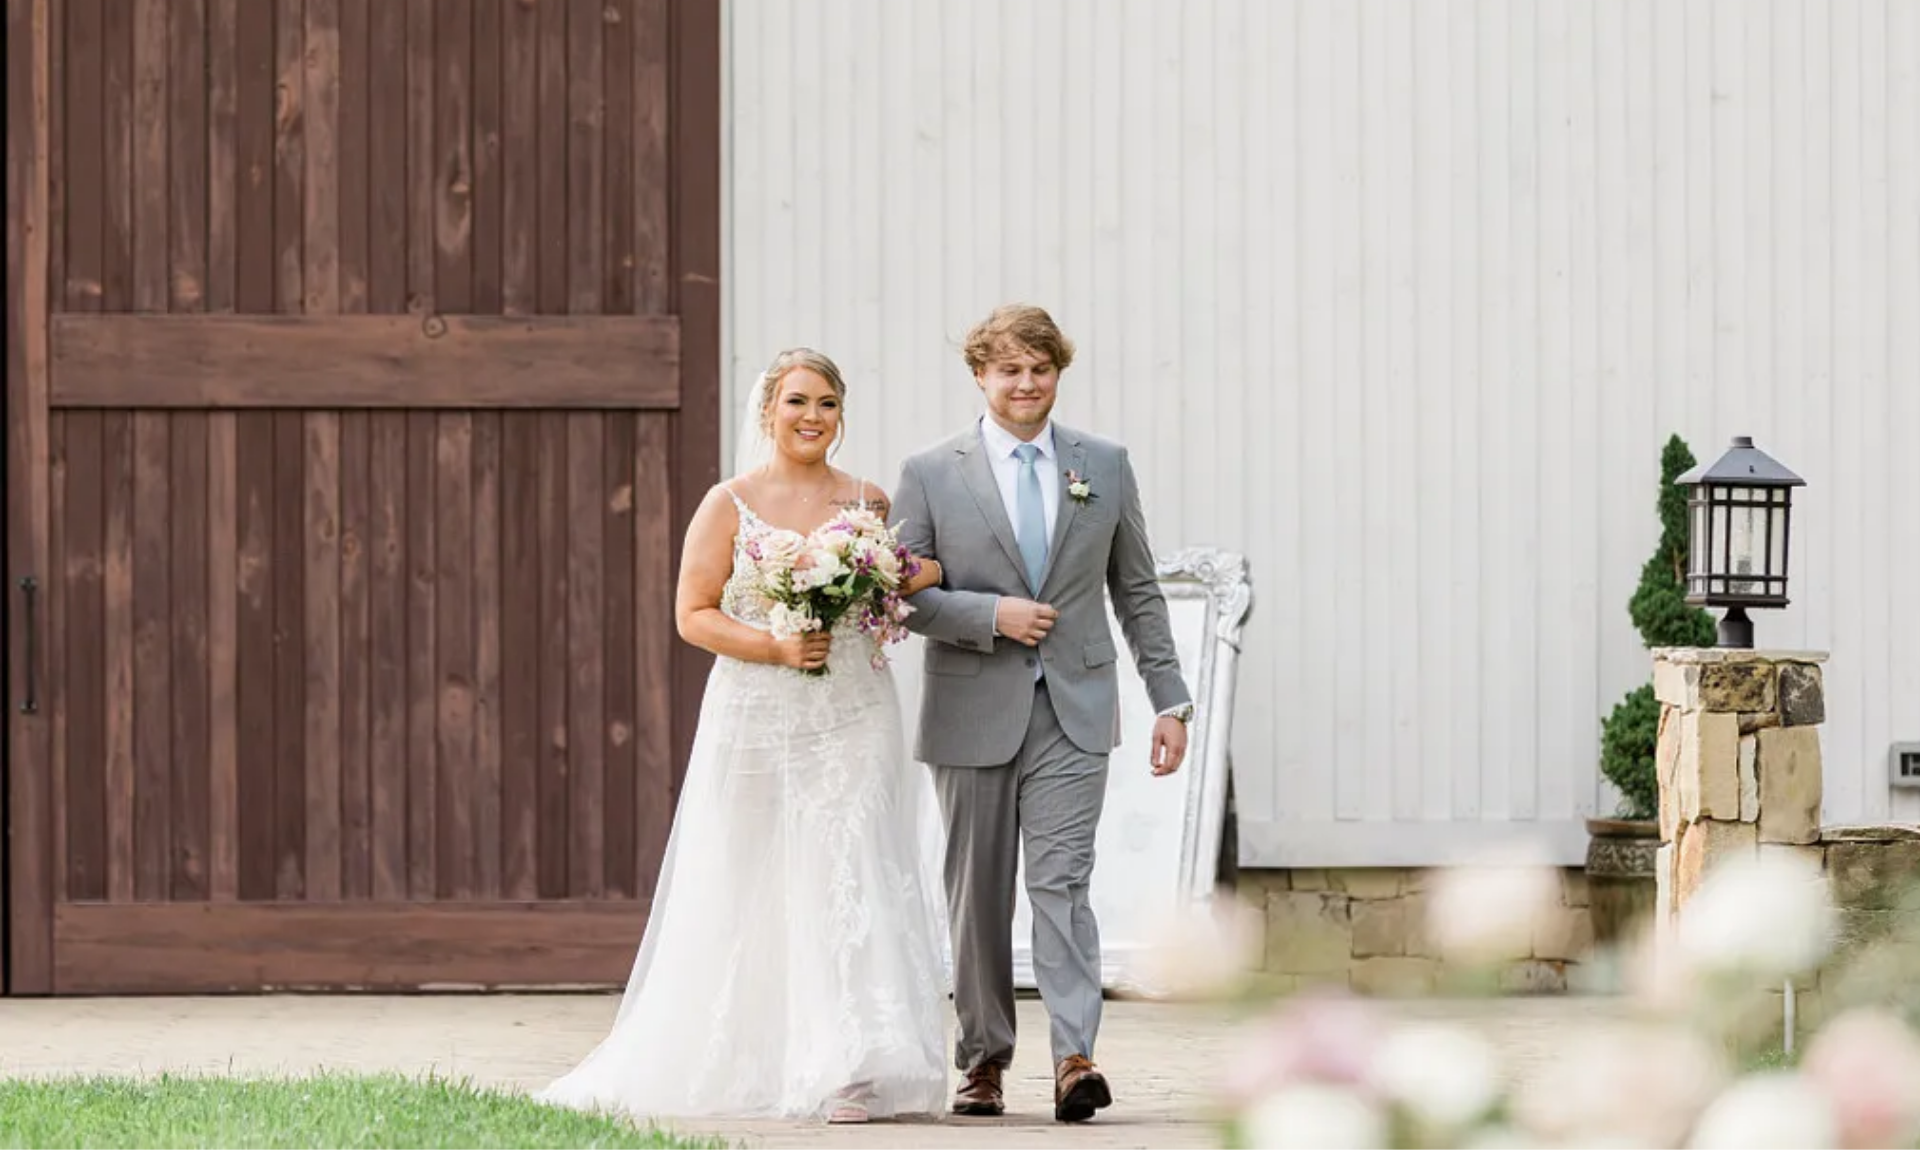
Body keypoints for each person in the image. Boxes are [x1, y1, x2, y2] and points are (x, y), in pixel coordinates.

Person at [536, 348, 950, 1125]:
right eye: (797, 401)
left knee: (851, 860)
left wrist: (902, 573)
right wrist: (775, 646)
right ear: (768, 410)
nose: (812, 417)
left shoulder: (867, 498)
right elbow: (692, 615)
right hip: (758, 710)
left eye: (827, 404)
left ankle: (852, 1066)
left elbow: (897, 583)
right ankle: (763, 1052)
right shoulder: (728, 503)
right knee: (752, 872)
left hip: (855, 707)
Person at [888, 304, 1194, 1123]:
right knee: (978, 893)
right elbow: (899, 598)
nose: (1027, 384)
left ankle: (1074, 1058)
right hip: (970, 707)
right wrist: (991, 615)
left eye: (1041, 368)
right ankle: (983, 1059)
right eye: (1010, 370)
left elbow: (1137, 591)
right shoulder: (930, 472)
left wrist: (1171, 699)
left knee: (1062, 882)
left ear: (1059, 371)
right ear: (980, 375)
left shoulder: (1105, 465)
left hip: (1075, 707)